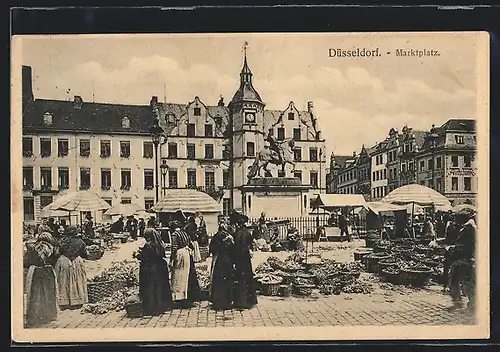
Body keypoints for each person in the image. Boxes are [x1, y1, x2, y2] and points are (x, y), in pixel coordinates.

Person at [24, 232, 59, 327]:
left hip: (35, 272)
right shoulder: (52, 249)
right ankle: (48, 315)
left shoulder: (32, 248)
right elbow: (55, 260)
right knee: (48, 294)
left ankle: (34, 316)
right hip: (48, 273)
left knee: (35, 295)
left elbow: (25, 262)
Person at [169, 210, 201, 308]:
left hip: (180, 254)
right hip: (186, 253)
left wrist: (172, 259)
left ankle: (179, 297)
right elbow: (190, 244)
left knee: (178, 276)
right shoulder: (183, 233)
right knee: (185, 275)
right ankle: (185, 295)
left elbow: (174, 248)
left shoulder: (175, 234)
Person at [138, 228, 172, 315]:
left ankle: (151, 308)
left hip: (150, 268)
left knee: (150, 288)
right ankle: (162, 306)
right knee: (159, 288)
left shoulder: (148, 245)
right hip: (159, 267)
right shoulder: (160, 244)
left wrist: (138, 255)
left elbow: (145, 257)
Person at [54, 225, 89, 310]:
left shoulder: (61, 241)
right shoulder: (80, 242)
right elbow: (85, 254)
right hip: (76, 261)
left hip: (63, 262)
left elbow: (56, 253)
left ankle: (64, 301)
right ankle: (77, 300)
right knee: (77, 280)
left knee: (63, 281)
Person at [448, 209, 476, 310]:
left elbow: (463, 246)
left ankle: (465, 303)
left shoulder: (468, 228)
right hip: (465, 258)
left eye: (457, 218)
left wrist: (451, 249)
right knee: (464, 281)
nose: (455, 220)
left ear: (462, 219)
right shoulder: (469, 227)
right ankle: (465, 302)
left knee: (459, 281)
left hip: (463, 258)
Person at [230, 211, 258, 309]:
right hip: (246, 259)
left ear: (238, 224)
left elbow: (234, 248)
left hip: (239, 259)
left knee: (240, 279)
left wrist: (233, 261)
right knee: (248, 278)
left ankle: (240, 301)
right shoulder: (247, 233)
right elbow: (250, 245)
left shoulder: (236, 234)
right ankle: (250, 300)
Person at [209, 219, 235, 310]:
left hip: (219, 260)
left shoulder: (216, 237)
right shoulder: (229, 237)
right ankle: (227, 300)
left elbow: (212, 249)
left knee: (218, 280)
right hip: (227, 260)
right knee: (227, 280)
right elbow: (233, 249)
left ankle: (218, 300)